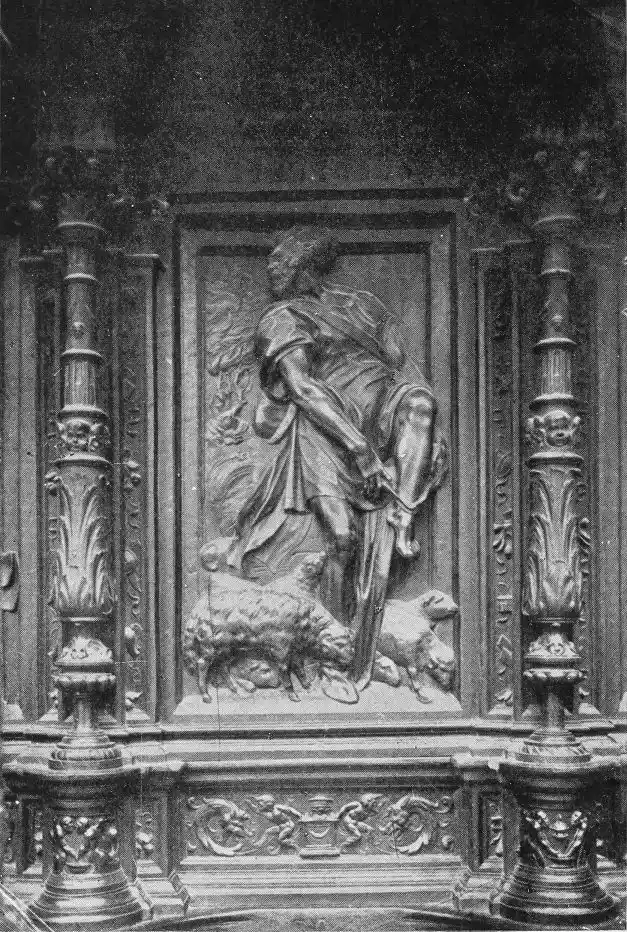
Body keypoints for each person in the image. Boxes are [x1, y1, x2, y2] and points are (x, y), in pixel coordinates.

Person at [232, 229, 438, 686]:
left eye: (282, 261)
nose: (274, 270)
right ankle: (332, 651)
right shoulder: (282, 317)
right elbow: (303, 388)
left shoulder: (359, 307)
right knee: (342, 537)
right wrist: (358, 448)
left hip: (380, 413)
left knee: (420, 405)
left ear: (305, 264)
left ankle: (402, 514)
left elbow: (397, 362)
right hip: (327, 428)